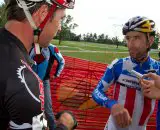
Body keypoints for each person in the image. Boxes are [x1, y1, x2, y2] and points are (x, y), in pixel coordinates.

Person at [0, 0, 74, 129]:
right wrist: (63, 127)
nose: (60, 27)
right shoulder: (25, 83)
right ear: (43, 13)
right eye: (60, 19)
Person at [92, 16, 160, 130]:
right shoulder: (118, 65)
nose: (131, 43)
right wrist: (111, 104)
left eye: (137, 37)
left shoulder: (158, 69)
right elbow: (97, 91)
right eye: (128, 38)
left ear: (150, 40)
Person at [30, 43, 65, 130]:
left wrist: (56, 74)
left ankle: (53, 128)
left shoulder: (52, 48)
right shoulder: (30, 45)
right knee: (33, 107)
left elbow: (62, 61)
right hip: (29, 81)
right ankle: (37, 128)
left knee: (47, 109)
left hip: (44, 82)